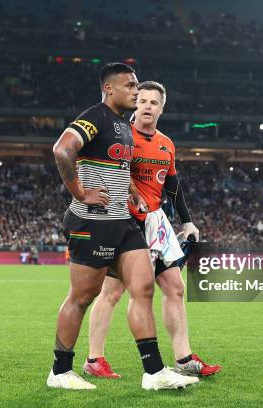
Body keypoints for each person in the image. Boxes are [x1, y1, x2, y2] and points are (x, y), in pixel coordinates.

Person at [48, 63, 198, 390]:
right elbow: (62, 149)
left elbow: (120, 168)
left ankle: (154, 372)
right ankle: (59, 372)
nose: (135, 91)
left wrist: (130, 191)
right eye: (130, 86)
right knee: (81, 297)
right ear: (109, 89)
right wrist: (80, 192)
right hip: (93, 222)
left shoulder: (122, 127)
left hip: (124, 223)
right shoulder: (95, 117)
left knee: (143, 290)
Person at [84, 81, 222, 379]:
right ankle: (95, 358)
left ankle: (184, 359)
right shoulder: (119, 135)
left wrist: (186, 221)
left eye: (153, 102)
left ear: (162, 107)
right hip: (123, 221)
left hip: (155, 223)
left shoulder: (166, 144)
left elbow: (172, 185)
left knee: (175, 287)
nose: (147, 106)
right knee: (112, 290)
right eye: (142, 101)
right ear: (135, 105)